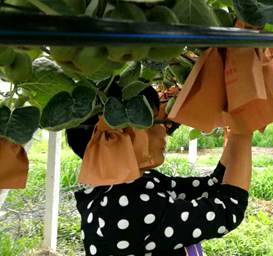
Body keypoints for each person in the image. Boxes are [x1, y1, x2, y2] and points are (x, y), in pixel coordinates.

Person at [65, 84, 253, 256]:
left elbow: (213, 186)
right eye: (152, 122)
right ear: (113, 137)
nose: (163, 130)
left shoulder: (131, 186)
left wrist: (237, 128)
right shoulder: (129, 208)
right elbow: (229, 209)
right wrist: (246, 123)